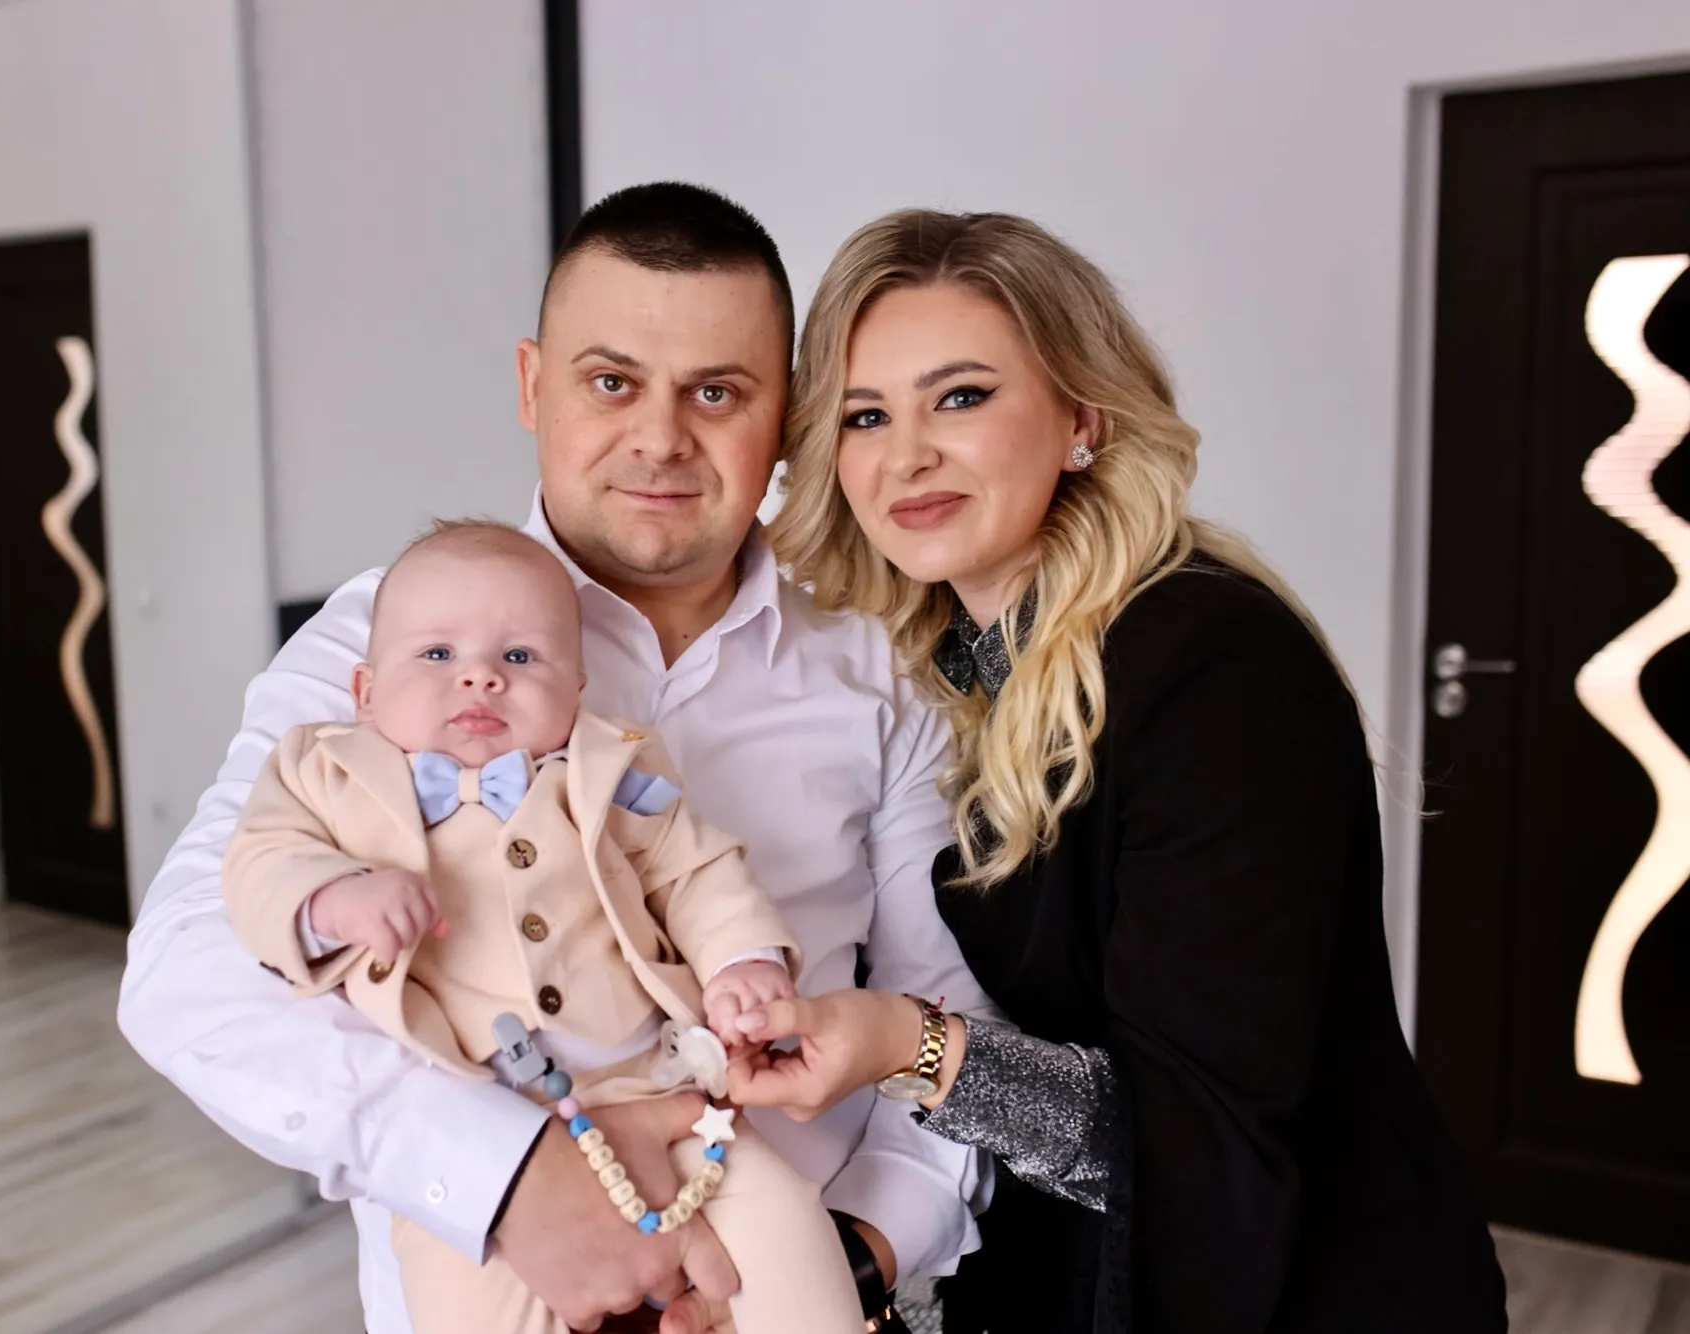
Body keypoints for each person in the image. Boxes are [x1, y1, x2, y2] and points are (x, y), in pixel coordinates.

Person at [119, 184, 990, 1334]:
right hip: (488, 1277)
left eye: (716, 392)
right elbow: (185, 969)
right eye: (610, 381)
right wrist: (509, 1174)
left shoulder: (877, 670)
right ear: (533, 386)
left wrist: (857, 1251)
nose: (659, 438)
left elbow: (943, 1004)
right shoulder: (381, 645)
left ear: (785, 414)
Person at [728, 209, 1510, 1333]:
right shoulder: (940, 667)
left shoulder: (1212, 667)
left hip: (1312, 1290)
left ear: (1081, 417)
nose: (906, 456)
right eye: (864, 415)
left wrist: (906, 1043)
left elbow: (1191, 1135)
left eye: (961, 397)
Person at [220, 519, 862, 1333]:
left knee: (783, 1229)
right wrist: (334, 898)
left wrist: (744, 960)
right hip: (469, 1116)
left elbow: (695, 870)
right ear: (365, 692)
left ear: (577, 690)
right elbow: (259, 862)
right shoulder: (323, 770)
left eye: (520, 658)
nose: (480, 677)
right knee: (467, 1301)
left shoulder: (610, 769)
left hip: (654, 1086)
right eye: (437, 654)